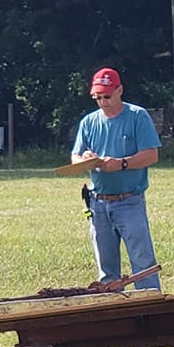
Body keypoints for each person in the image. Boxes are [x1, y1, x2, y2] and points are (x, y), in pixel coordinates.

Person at [70, 66, 162, 290]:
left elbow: (152, 154)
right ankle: (113, 312)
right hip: (98, 203)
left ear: (119, 90)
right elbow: (74, 157)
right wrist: (85, 158)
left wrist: (121, 163)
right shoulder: (89, 122)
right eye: (97, 97)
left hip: (129, 201)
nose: (103, 101)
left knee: (142, 262)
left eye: (107, 96)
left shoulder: (137, 116)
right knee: (106, 270)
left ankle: (150, 309)